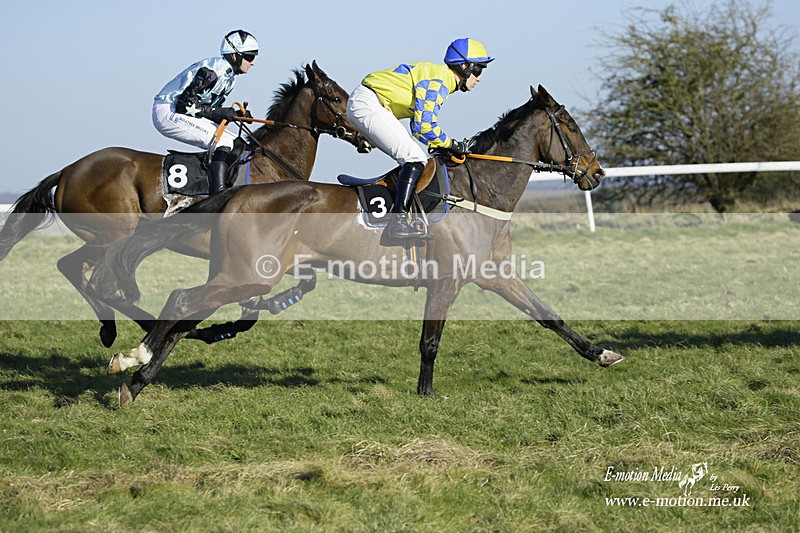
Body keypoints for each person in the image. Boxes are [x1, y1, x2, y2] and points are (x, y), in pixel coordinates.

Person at [346, 38, 494, 239]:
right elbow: (423, 127)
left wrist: (444, 144)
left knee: (414, 156)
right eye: (478, 70)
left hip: (372, 103)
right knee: (414, 158)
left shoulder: (441, 78)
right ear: (464, 66)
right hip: (368, 103)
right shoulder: (439, 80)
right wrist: (452, 144)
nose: (479, 78)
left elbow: (420, 127)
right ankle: (398, 222)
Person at [153, 29, 258, 194]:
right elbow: (185, 106)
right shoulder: (213, 71)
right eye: (250, 56)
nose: (253, 62)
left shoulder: (229, 79)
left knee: (237, 143)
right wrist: (221, 113)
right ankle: (217, 196)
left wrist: (236, 115)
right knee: (223, 142)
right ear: (235, 56)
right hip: (168, 110)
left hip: (180, 112)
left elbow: (210, 110)